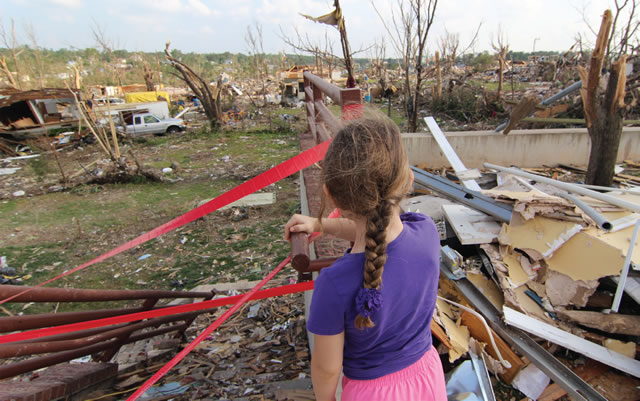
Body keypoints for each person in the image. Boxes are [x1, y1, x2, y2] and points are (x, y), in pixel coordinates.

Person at [284, 118, 446, 401]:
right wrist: (319, 224)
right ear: (408, 180)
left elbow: (326, 368)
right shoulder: (427, 232)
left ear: (331, 196)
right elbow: (377, 232)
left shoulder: (334, 283)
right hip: (427, 379)